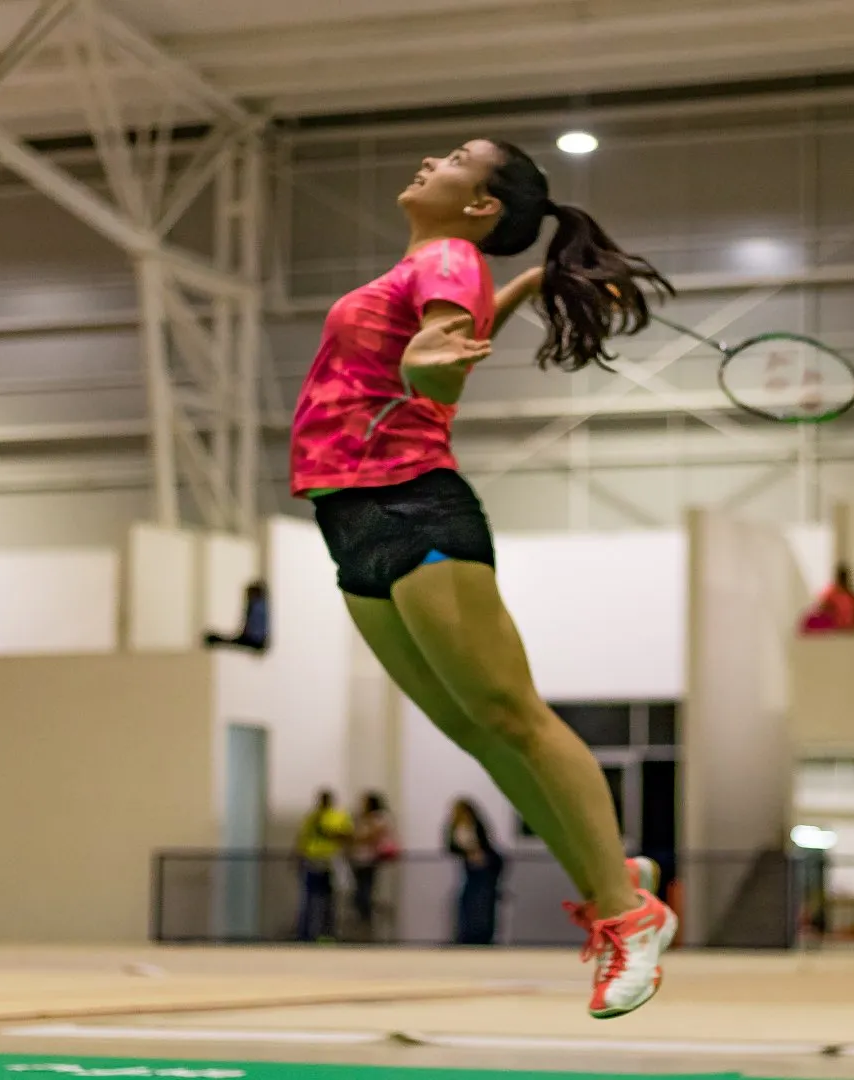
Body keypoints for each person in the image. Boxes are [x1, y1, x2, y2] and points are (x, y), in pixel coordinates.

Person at [289, 138, 676, 1018]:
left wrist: (432, 364)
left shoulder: (448, 259)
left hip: (411, 507)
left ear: (481, 206)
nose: (433, 158)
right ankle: (615, 878)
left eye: (458, 157)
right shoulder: (439, 268)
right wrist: (531, 286)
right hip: (352, 519)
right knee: (476, 729)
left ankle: (629, 914)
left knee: (513, 718)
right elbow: (443, 332)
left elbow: (435, 357)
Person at [293, 789, 352, 942]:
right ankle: (305, 934)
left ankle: (327, 933)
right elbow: (302, 838)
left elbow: (347, 835)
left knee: (329, 900)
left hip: (330, 862)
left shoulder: (338, 816)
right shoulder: (312, 817)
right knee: (309, 898)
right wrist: (298, 857)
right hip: (313, 861)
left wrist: (329, 832)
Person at [446, 798, 505, 946]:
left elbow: (485, 845)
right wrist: (467, 854)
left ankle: (482, 934)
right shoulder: (456, 828)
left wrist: (480, 855)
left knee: (483, 900)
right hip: (471, 868)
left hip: (485, 867)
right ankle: (467, 933)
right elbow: (452, 846)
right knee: (468, 900)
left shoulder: (476, 826)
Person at [347, 791, 399, 941]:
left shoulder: (379, 817)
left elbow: (371, 836)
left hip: (371, 860)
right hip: (357, 860)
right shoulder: (359, 818)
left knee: (366, 892)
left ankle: (369, 923)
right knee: (358, 893)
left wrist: (361, 836)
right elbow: (353, 836)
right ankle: (362, 921)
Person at [203, 581, 270, 652]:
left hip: (255, 639)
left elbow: (255, 631)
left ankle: (213, 638)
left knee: (215, 638)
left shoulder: (258, 607)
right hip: (253, 638)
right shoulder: (257, 606)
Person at [801, 564, 854, 635]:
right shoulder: (847, 594)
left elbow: (822, 605)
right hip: (842, 626)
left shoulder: (846, 594)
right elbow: (822, 606)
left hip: (840, 625)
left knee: (811, 621)